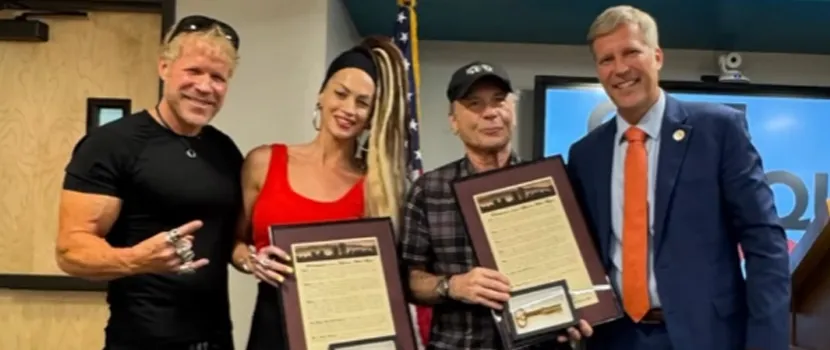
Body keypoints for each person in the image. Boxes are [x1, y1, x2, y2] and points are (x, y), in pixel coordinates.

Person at [566, 5, 790, 350]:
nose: (620, 69)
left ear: (657, 56)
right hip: (615, 339)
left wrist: (766, 342)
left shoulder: (719, 130)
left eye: (631, 52)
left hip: (706, 338)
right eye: (606, 59)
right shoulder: (585, 154)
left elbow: (765, 243)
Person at [55, 15, 242, 350]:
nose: (205, 86)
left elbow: (227, 239)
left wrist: (254, 255)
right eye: (194, 71)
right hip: (142, 341)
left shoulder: (224, 150)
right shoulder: (113, 144)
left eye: (218, 77)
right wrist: (136, 260)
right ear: (164, 67)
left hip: (215, 340)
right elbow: (71, 250)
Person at [231, 36, 412, 350]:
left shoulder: (376, 187)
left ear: (372, 115)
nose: (348, 109)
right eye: (341, 94)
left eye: (362, 102)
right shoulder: (263, 162)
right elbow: (233, 242)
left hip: (344, 333)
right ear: (321, 94)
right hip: (272, 325)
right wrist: (251, 261)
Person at [398, 61, 593, 349]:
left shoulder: (551, 184)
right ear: (453, 120)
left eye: (499, 101)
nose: (490, 113)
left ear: (512, 110)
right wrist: (454, 286)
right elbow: (409, 280)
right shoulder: (428, 191)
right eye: (474, 104)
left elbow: (580, 269)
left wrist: (584, 310)